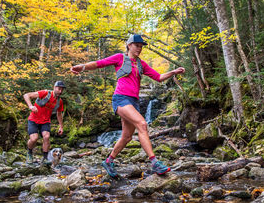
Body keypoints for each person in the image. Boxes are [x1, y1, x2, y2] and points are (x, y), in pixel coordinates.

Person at [71, 34, 185, 177]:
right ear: (129, 45)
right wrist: (82, 67)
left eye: (141, 46)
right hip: (121, 99)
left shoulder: (141, 64)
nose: (139, 48)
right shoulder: (120, 57)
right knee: (142, 124)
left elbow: (158, 77)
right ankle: (155, 162)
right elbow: (99, 63)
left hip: (134, 102)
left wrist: (173, 72)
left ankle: (108, 161)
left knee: (126, 137)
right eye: (137, 45)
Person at [23, 81, 66, 164]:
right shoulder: (45, 93)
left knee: (46, 137)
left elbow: (59, 114)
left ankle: (45, 158)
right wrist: (30, 106)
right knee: (34, 138)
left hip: (45, 122)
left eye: (62, 90)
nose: (60, 91)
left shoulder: (59, 101)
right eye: (59, 89)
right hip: (33, 120)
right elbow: (26, 95)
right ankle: (29, 152)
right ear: (54, 87)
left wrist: (61, 126)